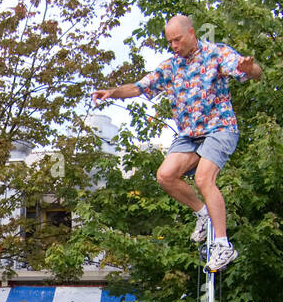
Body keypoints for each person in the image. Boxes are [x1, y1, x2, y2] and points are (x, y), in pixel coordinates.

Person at [91, 14, 262, 272]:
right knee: (165, 175)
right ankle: (203, 214)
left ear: (191, 33)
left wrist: (251, 69)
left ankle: (223, 245)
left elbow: (254, 72)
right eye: (170, 42)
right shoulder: (171, 67)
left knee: (204, 178)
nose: (174, 46)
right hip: (189, 135)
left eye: (177, 40)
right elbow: (139, 87)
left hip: (220, 129)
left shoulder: (217, 54)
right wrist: (112, 92)